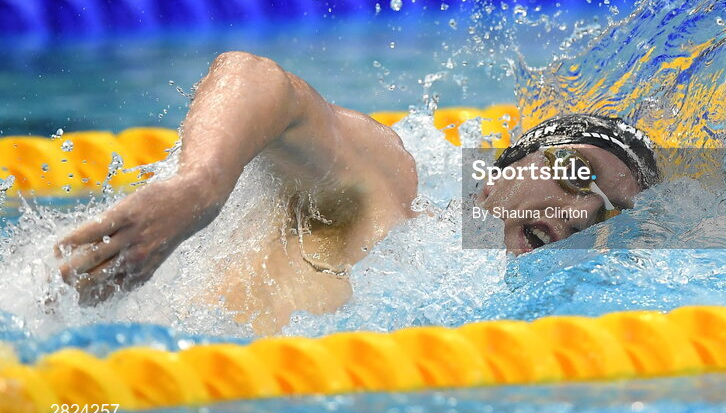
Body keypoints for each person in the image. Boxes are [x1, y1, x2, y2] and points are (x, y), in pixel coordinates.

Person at [54, 51, 660, 333]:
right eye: (575, 173)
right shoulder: (380, 197)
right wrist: (198, 187)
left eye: (609, 215)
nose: (582, 214)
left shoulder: (523, 324)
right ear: (502, 169)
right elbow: (261, 82)